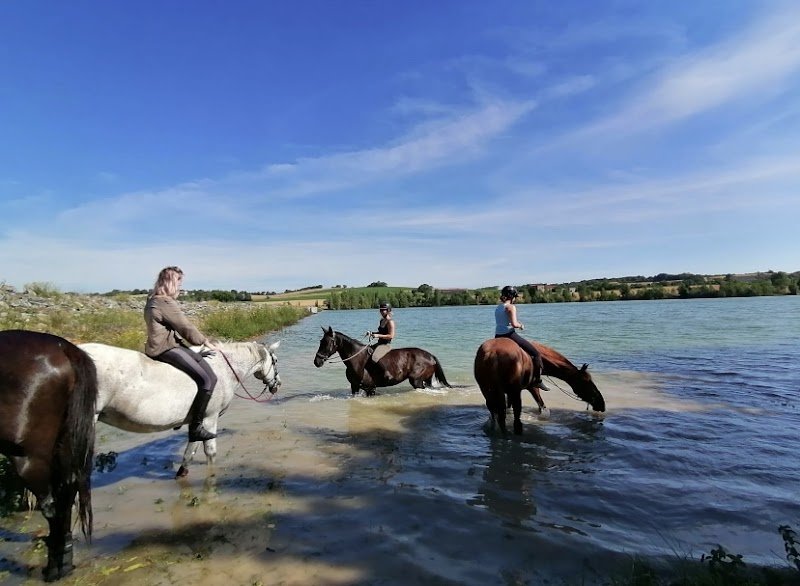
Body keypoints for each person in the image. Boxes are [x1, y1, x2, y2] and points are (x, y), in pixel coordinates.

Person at [144, 266, 220, 441]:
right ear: (170, 282)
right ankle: (195, 428)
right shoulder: (165, 302)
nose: (180, 286)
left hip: (163, 345)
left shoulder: (151, 299)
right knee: (209, 379)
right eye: (178, 281)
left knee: (198, 362)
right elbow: (185, 326)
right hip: (166, 348)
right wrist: (205, 342)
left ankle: (183, 414)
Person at [495, 285, 549, 390]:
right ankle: (537, 380)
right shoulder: (511, 307)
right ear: (512, 297)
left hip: (497, 336)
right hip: (509, 335)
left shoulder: (498, 307)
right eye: (515, 296)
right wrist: (521, 325)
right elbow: (514, 324)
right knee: (536, 354)